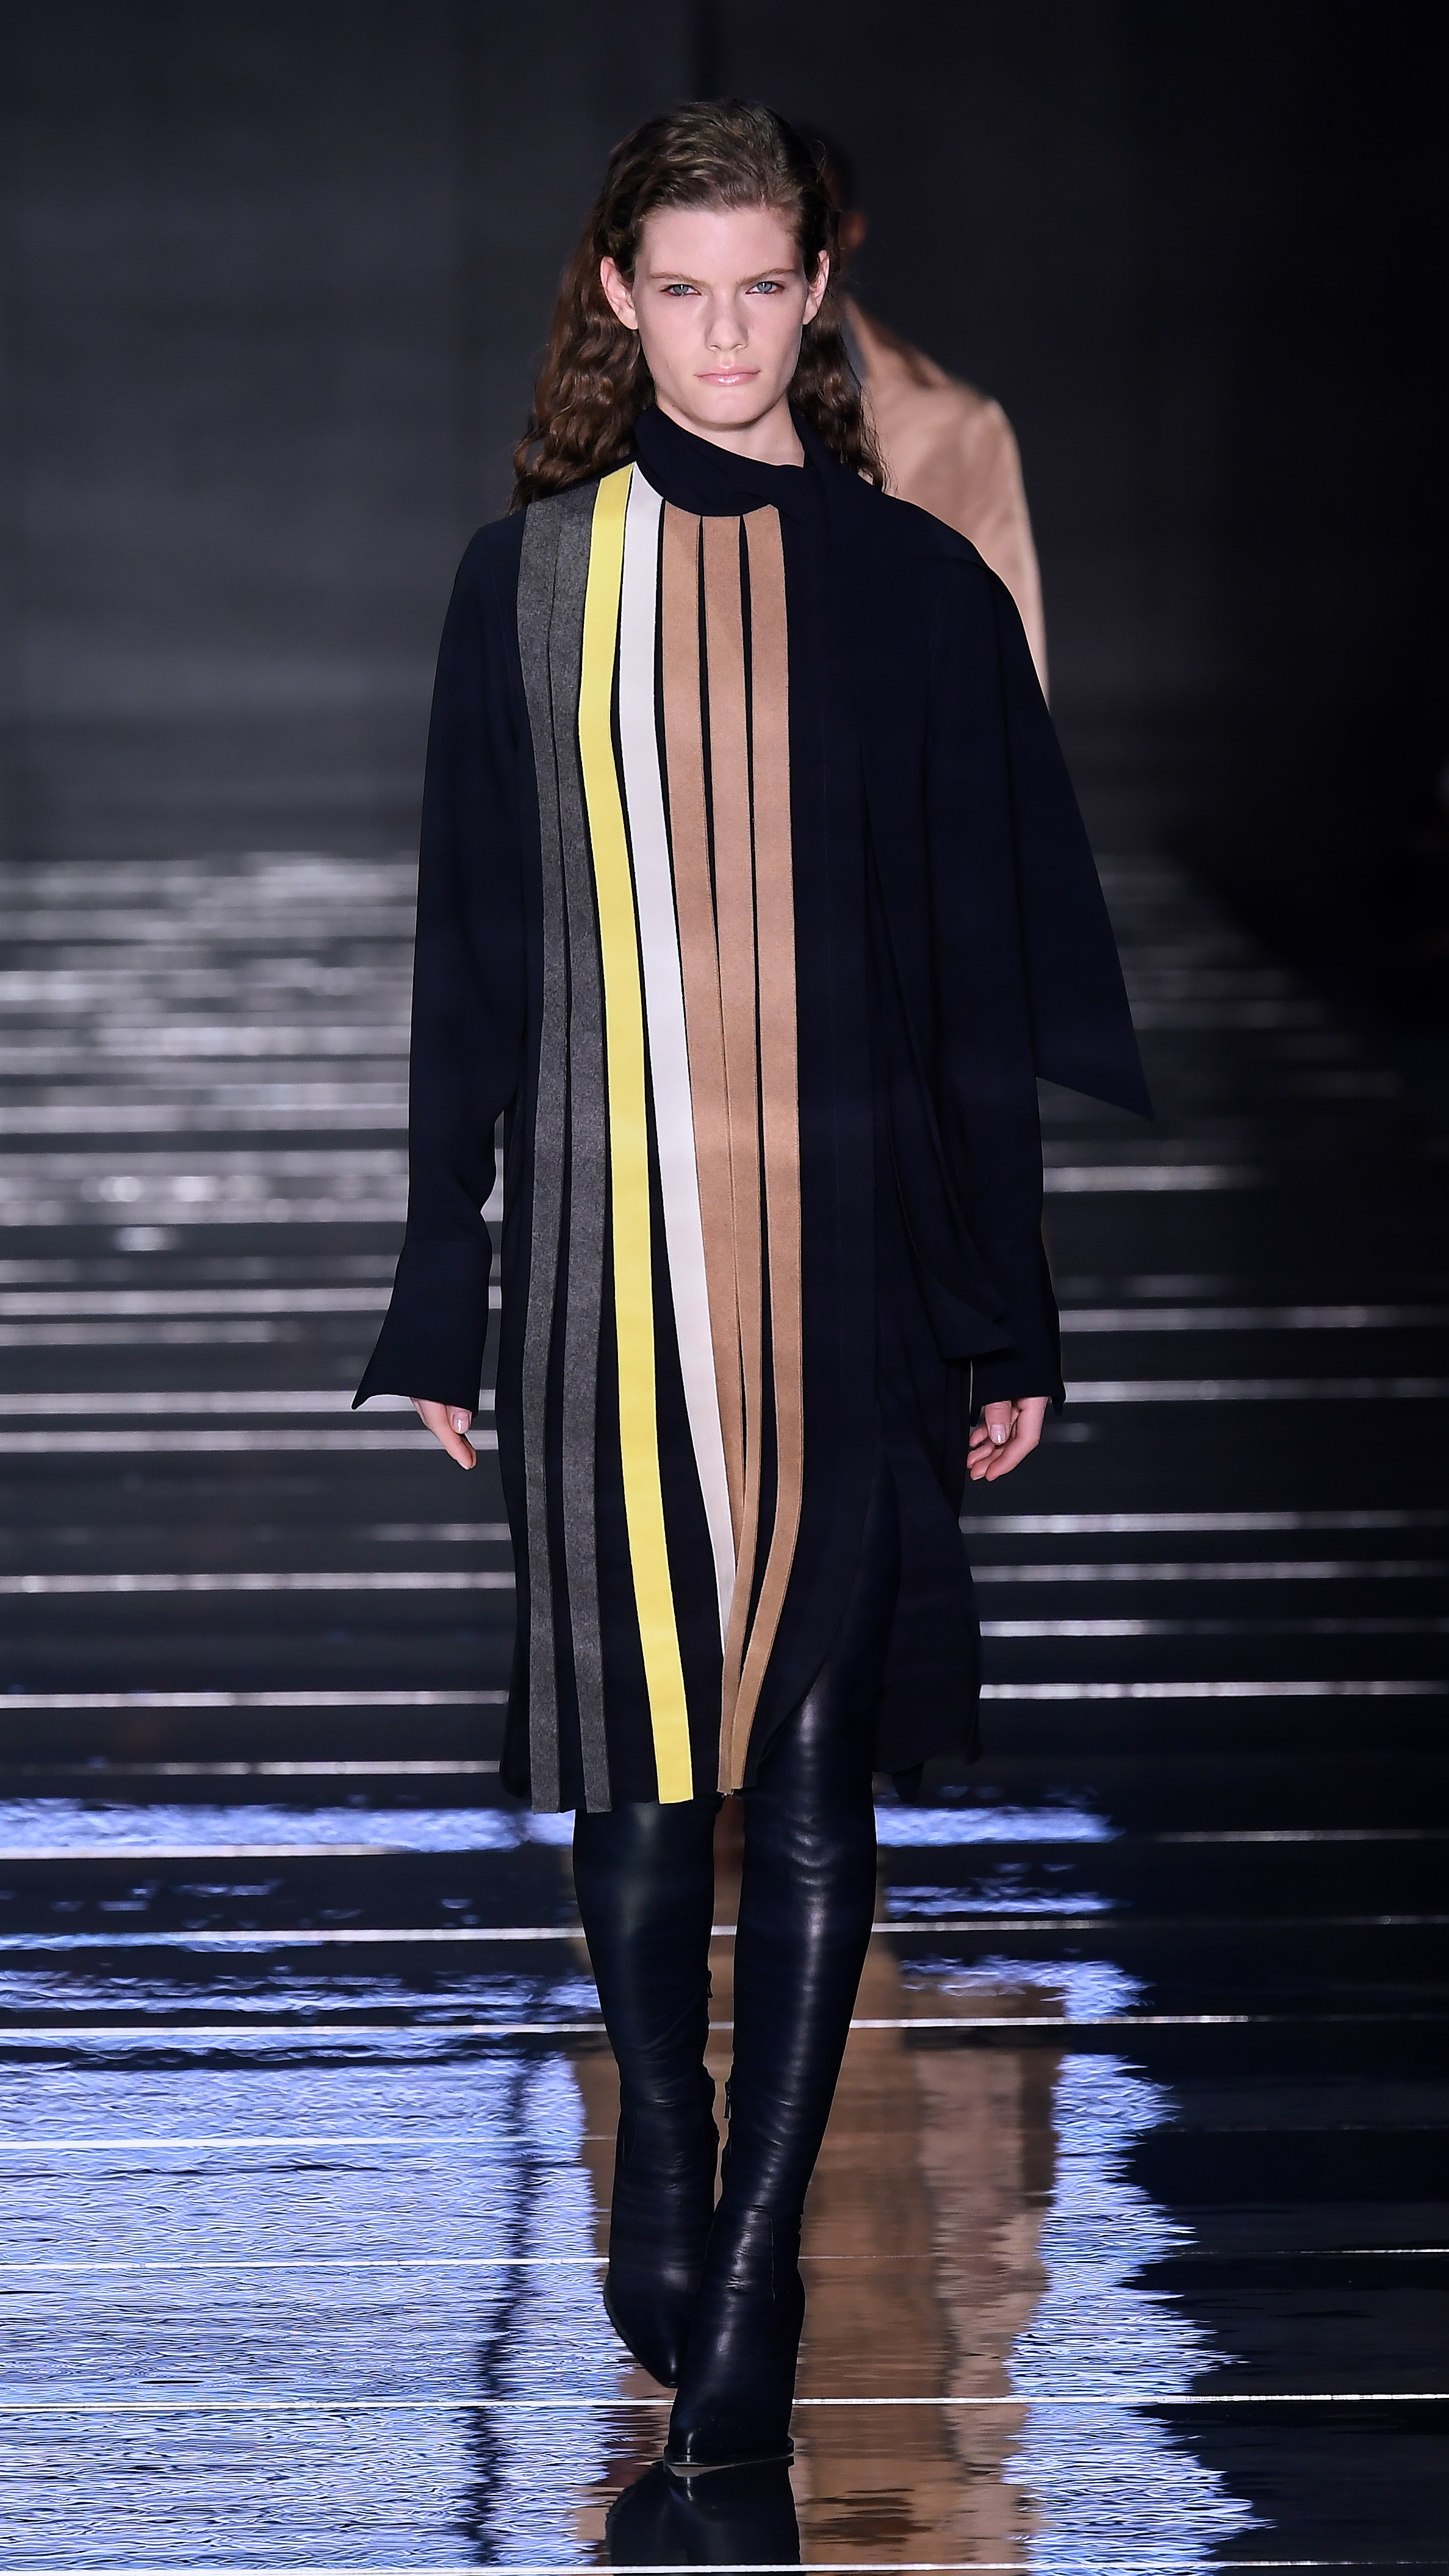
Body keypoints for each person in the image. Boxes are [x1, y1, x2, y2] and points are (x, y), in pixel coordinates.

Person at [355, 99, 1146, 2477]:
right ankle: (672, 2155)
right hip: (603, 1254)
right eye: (678, 291)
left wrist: (1002, 1297)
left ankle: (757, 2268)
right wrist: (439, 1273)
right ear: (618, 296)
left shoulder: (906, 590)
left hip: (848, 1243)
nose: (719, 336)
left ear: (815, 298)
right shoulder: (520, 589)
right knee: (628, 1768)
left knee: (802, 1774)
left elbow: (970, 977)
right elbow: (471, 954)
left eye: (756, 290)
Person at [811, 132, 1049, 693]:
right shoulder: (669, 414)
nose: (799, 250)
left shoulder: (958, 427)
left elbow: (1006, 658)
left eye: (815, 222)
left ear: (850, 233)